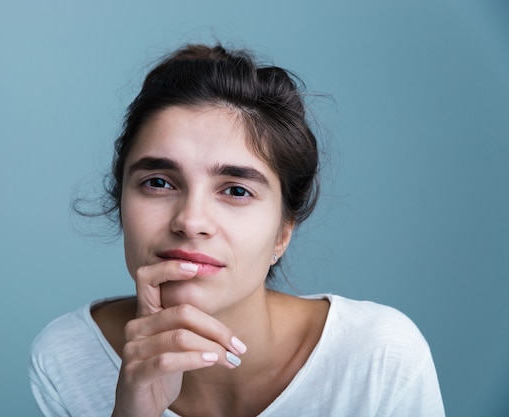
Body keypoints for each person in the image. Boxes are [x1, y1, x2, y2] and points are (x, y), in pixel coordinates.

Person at [28, 44, 445, 417]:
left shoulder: (379, 358)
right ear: (121, 201)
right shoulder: (69, 357)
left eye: (236, 190)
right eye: (158, 182)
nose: (191, 221)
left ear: (283, 232)